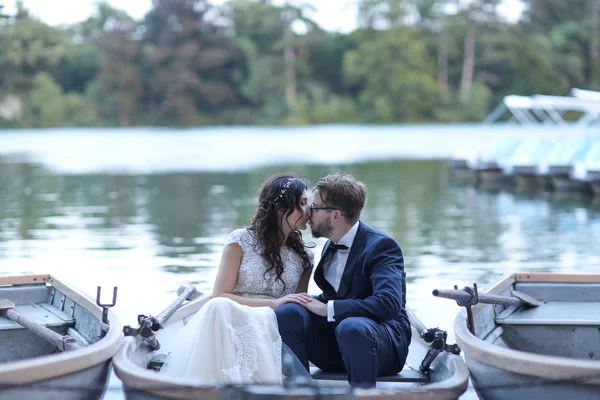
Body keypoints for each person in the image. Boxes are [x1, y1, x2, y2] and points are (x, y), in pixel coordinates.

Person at [159, 174, 314, 385]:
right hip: (232, 314)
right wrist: (273, 302)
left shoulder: (305, 256)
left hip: (272, 323)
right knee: (219, 306)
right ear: (281, 209)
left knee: (224, 308)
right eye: (303, 203)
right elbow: (219, 294)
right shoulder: (240, 240)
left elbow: (297, 305)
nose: (309, 210)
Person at [275, 173, 411, 388]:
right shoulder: (331, 244)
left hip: (382, 346)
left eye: (315, 206)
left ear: (336, 215)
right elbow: (340, 293)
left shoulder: (382, 247)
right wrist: (308, 302)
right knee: (288, 311)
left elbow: (389, 304)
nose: (308, 212)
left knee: (351, 327)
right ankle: (299, 391)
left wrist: (329, 309)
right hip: (339, 343)